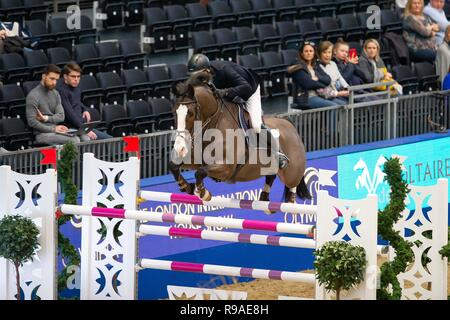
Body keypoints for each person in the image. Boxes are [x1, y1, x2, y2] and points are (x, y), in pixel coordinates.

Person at [186, 53, 288, 169]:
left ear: (207, 71)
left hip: (249, 90)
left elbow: (246, 87)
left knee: (256, 126)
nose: (195, 79)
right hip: (227, 91)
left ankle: (278, 152)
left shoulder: (224, 70)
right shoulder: (201, 76)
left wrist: (225, 92)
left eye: (197, 75)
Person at [26, 64, 81, 146]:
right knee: (75, 140)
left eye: (56, 80)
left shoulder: (55, 93)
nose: (54, 82)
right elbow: (32, 122)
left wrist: (46, 119)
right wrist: (53, 129)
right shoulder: (33, 95)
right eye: (52, 79)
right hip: (42, 134)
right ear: (44, 76)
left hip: (56, 131)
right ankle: (72, 159)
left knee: (85, 138)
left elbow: (61, 116)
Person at [57, 62, 112, 141]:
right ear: (65, 76)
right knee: (103, 139)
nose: (76, 79)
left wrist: (85, 109)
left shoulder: (76, 86)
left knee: (111, 139)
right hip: (71, 127)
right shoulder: (61, 91)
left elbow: (77, 102)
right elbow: (69, 113)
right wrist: (85, 130)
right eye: (73, 76)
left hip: (81, 125)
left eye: (78, 76)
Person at [288, 41, 346, 108]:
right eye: (306, 51)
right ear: (302, 53)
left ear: (314, 53)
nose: (309, 53)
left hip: (320, 95)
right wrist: (319, 82)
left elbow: (328, 79)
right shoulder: (298, 67)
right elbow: (309, 84)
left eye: (311, 51)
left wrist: (317, 79)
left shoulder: (315, 65)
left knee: (343, 104)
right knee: (333, 106)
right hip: (306, 98)